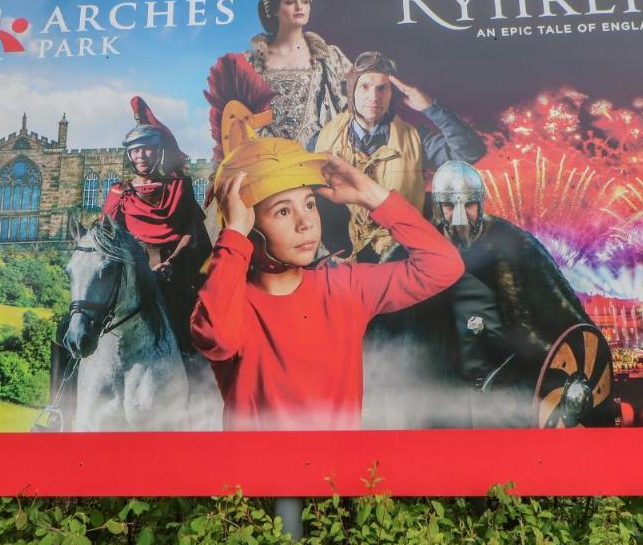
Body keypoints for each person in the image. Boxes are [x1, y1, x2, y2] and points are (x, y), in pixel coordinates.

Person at [188, 99, 464, 431]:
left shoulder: (343, 288)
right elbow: (218, 339)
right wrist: (233, 236)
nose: (306, 223)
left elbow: (443, 266)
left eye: (309, 204)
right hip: (257, 478)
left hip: (337, 478)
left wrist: (371, 196)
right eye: (283, 211)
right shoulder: (231, 302)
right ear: (248, 224)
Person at [425, 160, 605, 427]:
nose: (460, 217)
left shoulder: (516, 245)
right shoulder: (422, 246)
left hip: (508, 395)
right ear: (439, 208)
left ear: (481, 203)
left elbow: (561, 323)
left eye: (469, 205)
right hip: (445, 398)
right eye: (451, 206)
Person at [311, 51, 486, 260]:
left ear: (391, 93)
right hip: (342, 263)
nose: (374, 97)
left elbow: (470, 153)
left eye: (382, 88)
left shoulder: (415, 138)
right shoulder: (320, 140)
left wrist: (430, 107)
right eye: (364, 86)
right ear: (351, 92)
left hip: (400, 256)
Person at [103, 97, 214, 408]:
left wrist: (170, 263)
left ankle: (198, 391)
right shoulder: (119, 192)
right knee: (77, 325)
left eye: (146, 148)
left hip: (175, 270)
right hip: (131, 274)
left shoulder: (179, 187)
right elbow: (107, 238)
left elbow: (190, 233)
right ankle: (60, 400)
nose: (140, 155)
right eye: (134, 150)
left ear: (158, 150)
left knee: (191, 328)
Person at [241, 0, 353, 144]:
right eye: (290, 2)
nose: (300, 7)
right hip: (265, 157)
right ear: (274, 9)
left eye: (305, 1)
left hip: (315, 155)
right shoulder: (250, 61)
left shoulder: (328, 56)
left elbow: (354, 106)